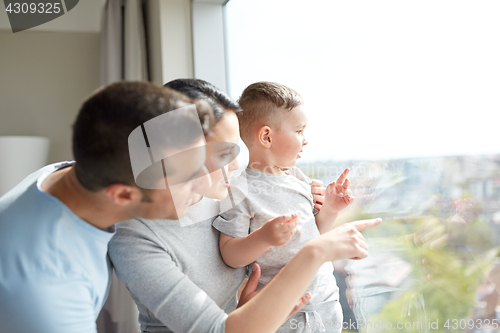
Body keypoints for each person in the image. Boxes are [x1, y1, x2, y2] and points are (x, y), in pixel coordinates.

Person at [109, 78, 381, 333]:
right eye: (224, 152)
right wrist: (315, 253)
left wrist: (315, 203)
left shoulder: (220, 194)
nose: (237, 163)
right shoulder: (134, 239)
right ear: (178, 154)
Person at [0, 81, 214, 333]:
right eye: (187, 177)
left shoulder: (69, 175)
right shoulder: (48, 289)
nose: (206, 182)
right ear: (123, 195)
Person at [213, 81, 366, 332]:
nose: (305, 140)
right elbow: (230, 254)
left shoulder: (298, 179)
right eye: (298, 131)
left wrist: (330, 209)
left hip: (325, 304)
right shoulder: (240, 191)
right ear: (266, 136)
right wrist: (264, 237)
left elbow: (316, 235)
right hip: (283, 314)